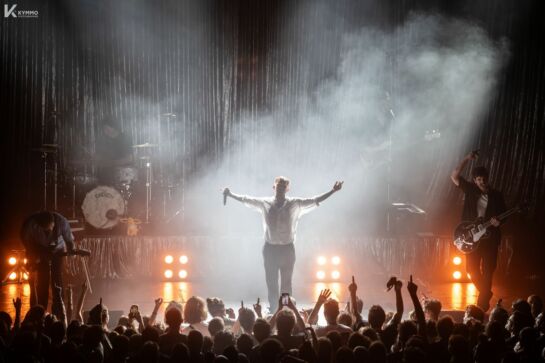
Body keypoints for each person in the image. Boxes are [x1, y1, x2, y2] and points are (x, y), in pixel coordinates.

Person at [223, 177, 343, 310]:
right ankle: (274, 308)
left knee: (286, 283)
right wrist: (231, 194)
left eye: (283, 186)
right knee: (271, 282)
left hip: (287, 249)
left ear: (287, 189)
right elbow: (246, 200)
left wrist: (332, 191)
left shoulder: (295, 204)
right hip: (270, 249)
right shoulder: (265, 203)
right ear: (273, 187)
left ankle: (285, 308)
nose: (280, 188)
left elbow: (315, 200)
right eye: (278, 186)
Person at [451, 151, 506, 311]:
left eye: (484, 179)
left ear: (488, 179)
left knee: (488, 271)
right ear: (474, 180)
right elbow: (454, 175)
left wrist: (498, 221)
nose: (482, 182)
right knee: (471, 270)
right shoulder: (470, 189)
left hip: (490, 238)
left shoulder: (496, 195)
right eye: (479, 179)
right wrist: (466, 158)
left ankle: (481, 307)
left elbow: (503, 214)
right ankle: (486, 292)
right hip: (472, 237)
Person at [20, 210, 76, 322]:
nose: (48, 231)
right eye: (44, 229)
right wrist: (33, 258)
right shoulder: (31, 224)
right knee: (42, 280)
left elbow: (69, 239)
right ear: (39, 225)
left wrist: (71, 250)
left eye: (49, 228)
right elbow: (28, 243)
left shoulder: (62, 222)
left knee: (57, 279)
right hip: (40, 250)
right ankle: (41, 309)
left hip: (58, 250)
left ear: (53, 222)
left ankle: (59, 308)